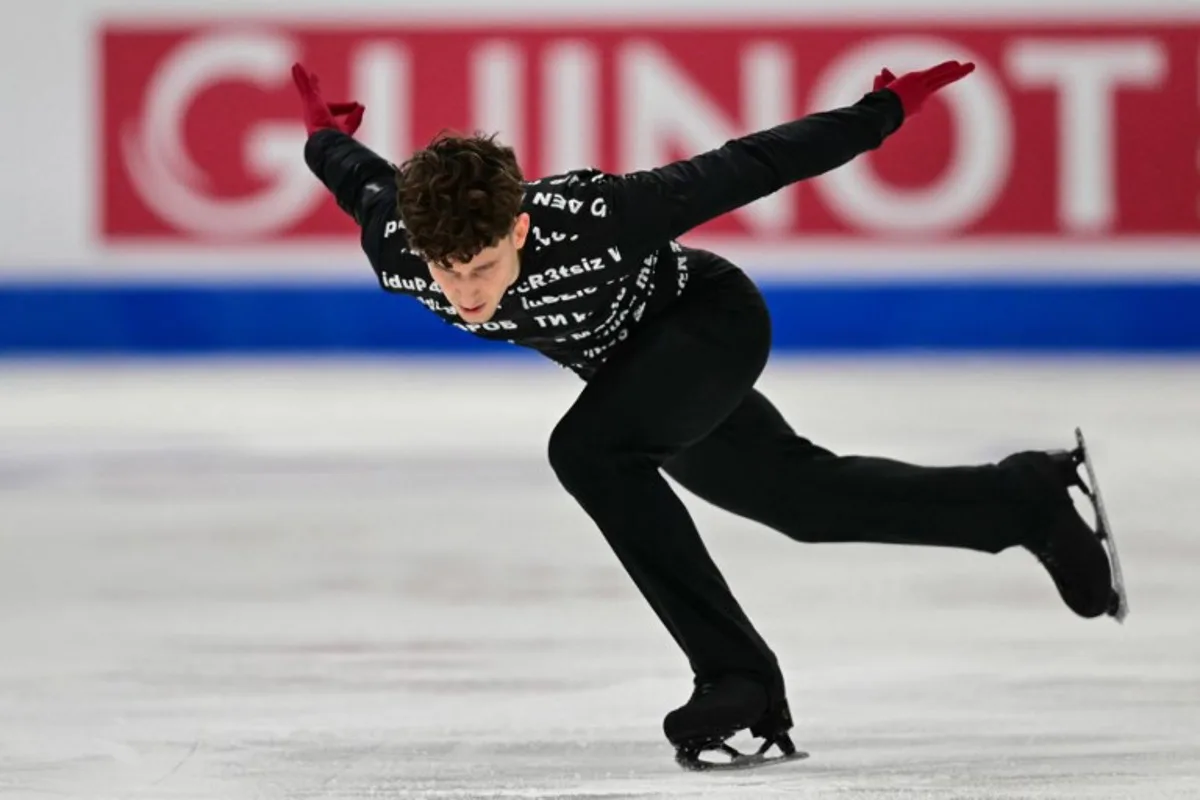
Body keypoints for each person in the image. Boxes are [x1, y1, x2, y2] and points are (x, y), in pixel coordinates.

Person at [292, 59, 1122, 769]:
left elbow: (750, 163)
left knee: (587, 452)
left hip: (711, 326)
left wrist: (882, 112)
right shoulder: (401, 248)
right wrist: (322, 130)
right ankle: (1023, 500)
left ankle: (737, 678)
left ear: (517, 225)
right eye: (445, 270)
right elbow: (354, 176)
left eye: (478, 265)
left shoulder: (598, 219)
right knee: (803, 503)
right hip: (635, 378)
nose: (464, 294)